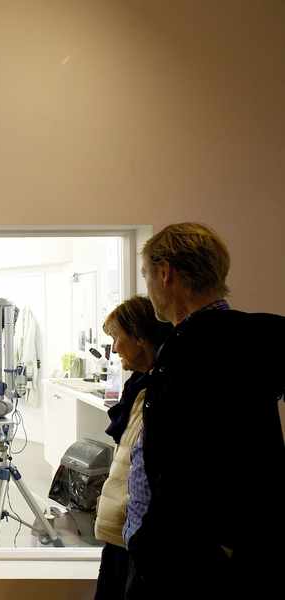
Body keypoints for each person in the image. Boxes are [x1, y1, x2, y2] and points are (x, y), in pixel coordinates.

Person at [127, 223, 285, 598]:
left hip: (190, 560)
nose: (148, 289)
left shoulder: (188, 350)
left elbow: (178, 465)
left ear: (166, 273)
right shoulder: (262, 335)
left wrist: (149, 542)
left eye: (147, 275)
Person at [93, 296, 172, 600]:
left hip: (138, 539)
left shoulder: (157, 394)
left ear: (139, 337)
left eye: (116, 337)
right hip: (121, 535)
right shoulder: (139, 388)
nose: (113, 348)